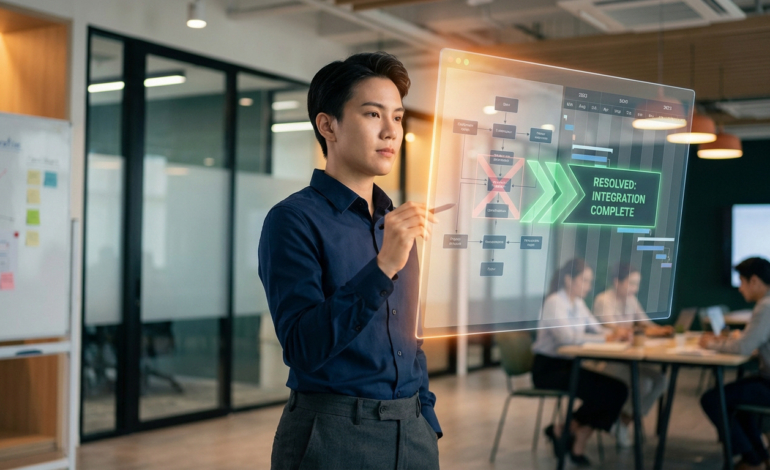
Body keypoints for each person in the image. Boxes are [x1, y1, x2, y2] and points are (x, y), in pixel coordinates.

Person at [258, 52, 441, 470]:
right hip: (334, 436)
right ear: (328, 125)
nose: (390, 131)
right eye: (373, 114)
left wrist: (425, 416)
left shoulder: (395, 221)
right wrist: (382, 267)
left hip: (413, 434)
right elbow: (303, 346)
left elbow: (410, 337)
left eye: (397, 117)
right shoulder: (292, 220)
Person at [532, 258, 629, 467]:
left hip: (570, 366)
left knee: (618, 389)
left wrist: (614, 333)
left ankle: (566, 430)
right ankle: (577, 442)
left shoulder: (577, 302)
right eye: (584, 281)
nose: (588, 286)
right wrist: (606, 338)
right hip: (548, 370)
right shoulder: (554, 303)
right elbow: (566, 339)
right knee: (607, 392)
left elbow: (595, 327)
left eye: (589, 281)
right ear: (569, 280)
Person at [700, 257, 770, 470]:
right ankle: (757, 457)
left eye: (741, 281)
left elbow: (743, 348)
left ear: (755, 281)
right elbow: (753, 342)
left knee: (713, 399)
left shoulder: (766, 306)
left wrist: (710, 345)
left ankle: (751, 459)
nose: (740, 288)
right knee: (738, 404)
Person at [592, 262, 669, 447]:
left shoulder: (631, 300)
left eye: (637, 284)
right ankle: (618, 423)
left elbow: (645, 323)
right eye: (631, 283)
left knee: (660, 380)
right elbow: (614, 330)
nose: (635, 288)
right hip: (605, 361)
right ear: (617, 282)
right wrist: (638, 330)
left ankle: (624, 421)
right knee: (642, 382)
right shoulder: (604, 300)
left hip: (627, 358)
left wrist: (662, 330)